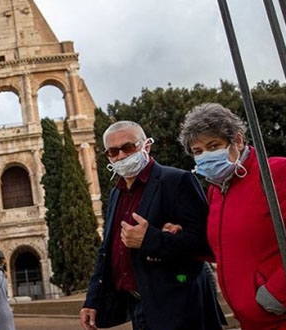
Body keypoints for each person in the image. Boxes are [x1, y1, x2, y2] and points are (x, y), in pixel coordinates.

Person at [178, 103, 286, 330]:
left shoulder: (278, 172)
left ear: (237, 141)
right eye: (198, 151)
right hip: (259, 323)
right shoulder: (216, 191)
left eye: (213, 145)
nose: (205, 156)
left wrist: (275, 297)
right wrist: (179, 237)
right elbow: (228, 249)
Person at [79, 121, 223, 330]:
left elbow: (206, 243)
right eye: (112, 151)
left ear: (146, 146)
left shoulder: (177, 181)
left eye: (128, 148)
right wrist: (93, 299)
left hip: (180, 307)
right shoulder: (116, 193)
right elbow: (107, 251)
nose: (120, 156)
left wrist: (151, 239)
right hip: (140, 306)